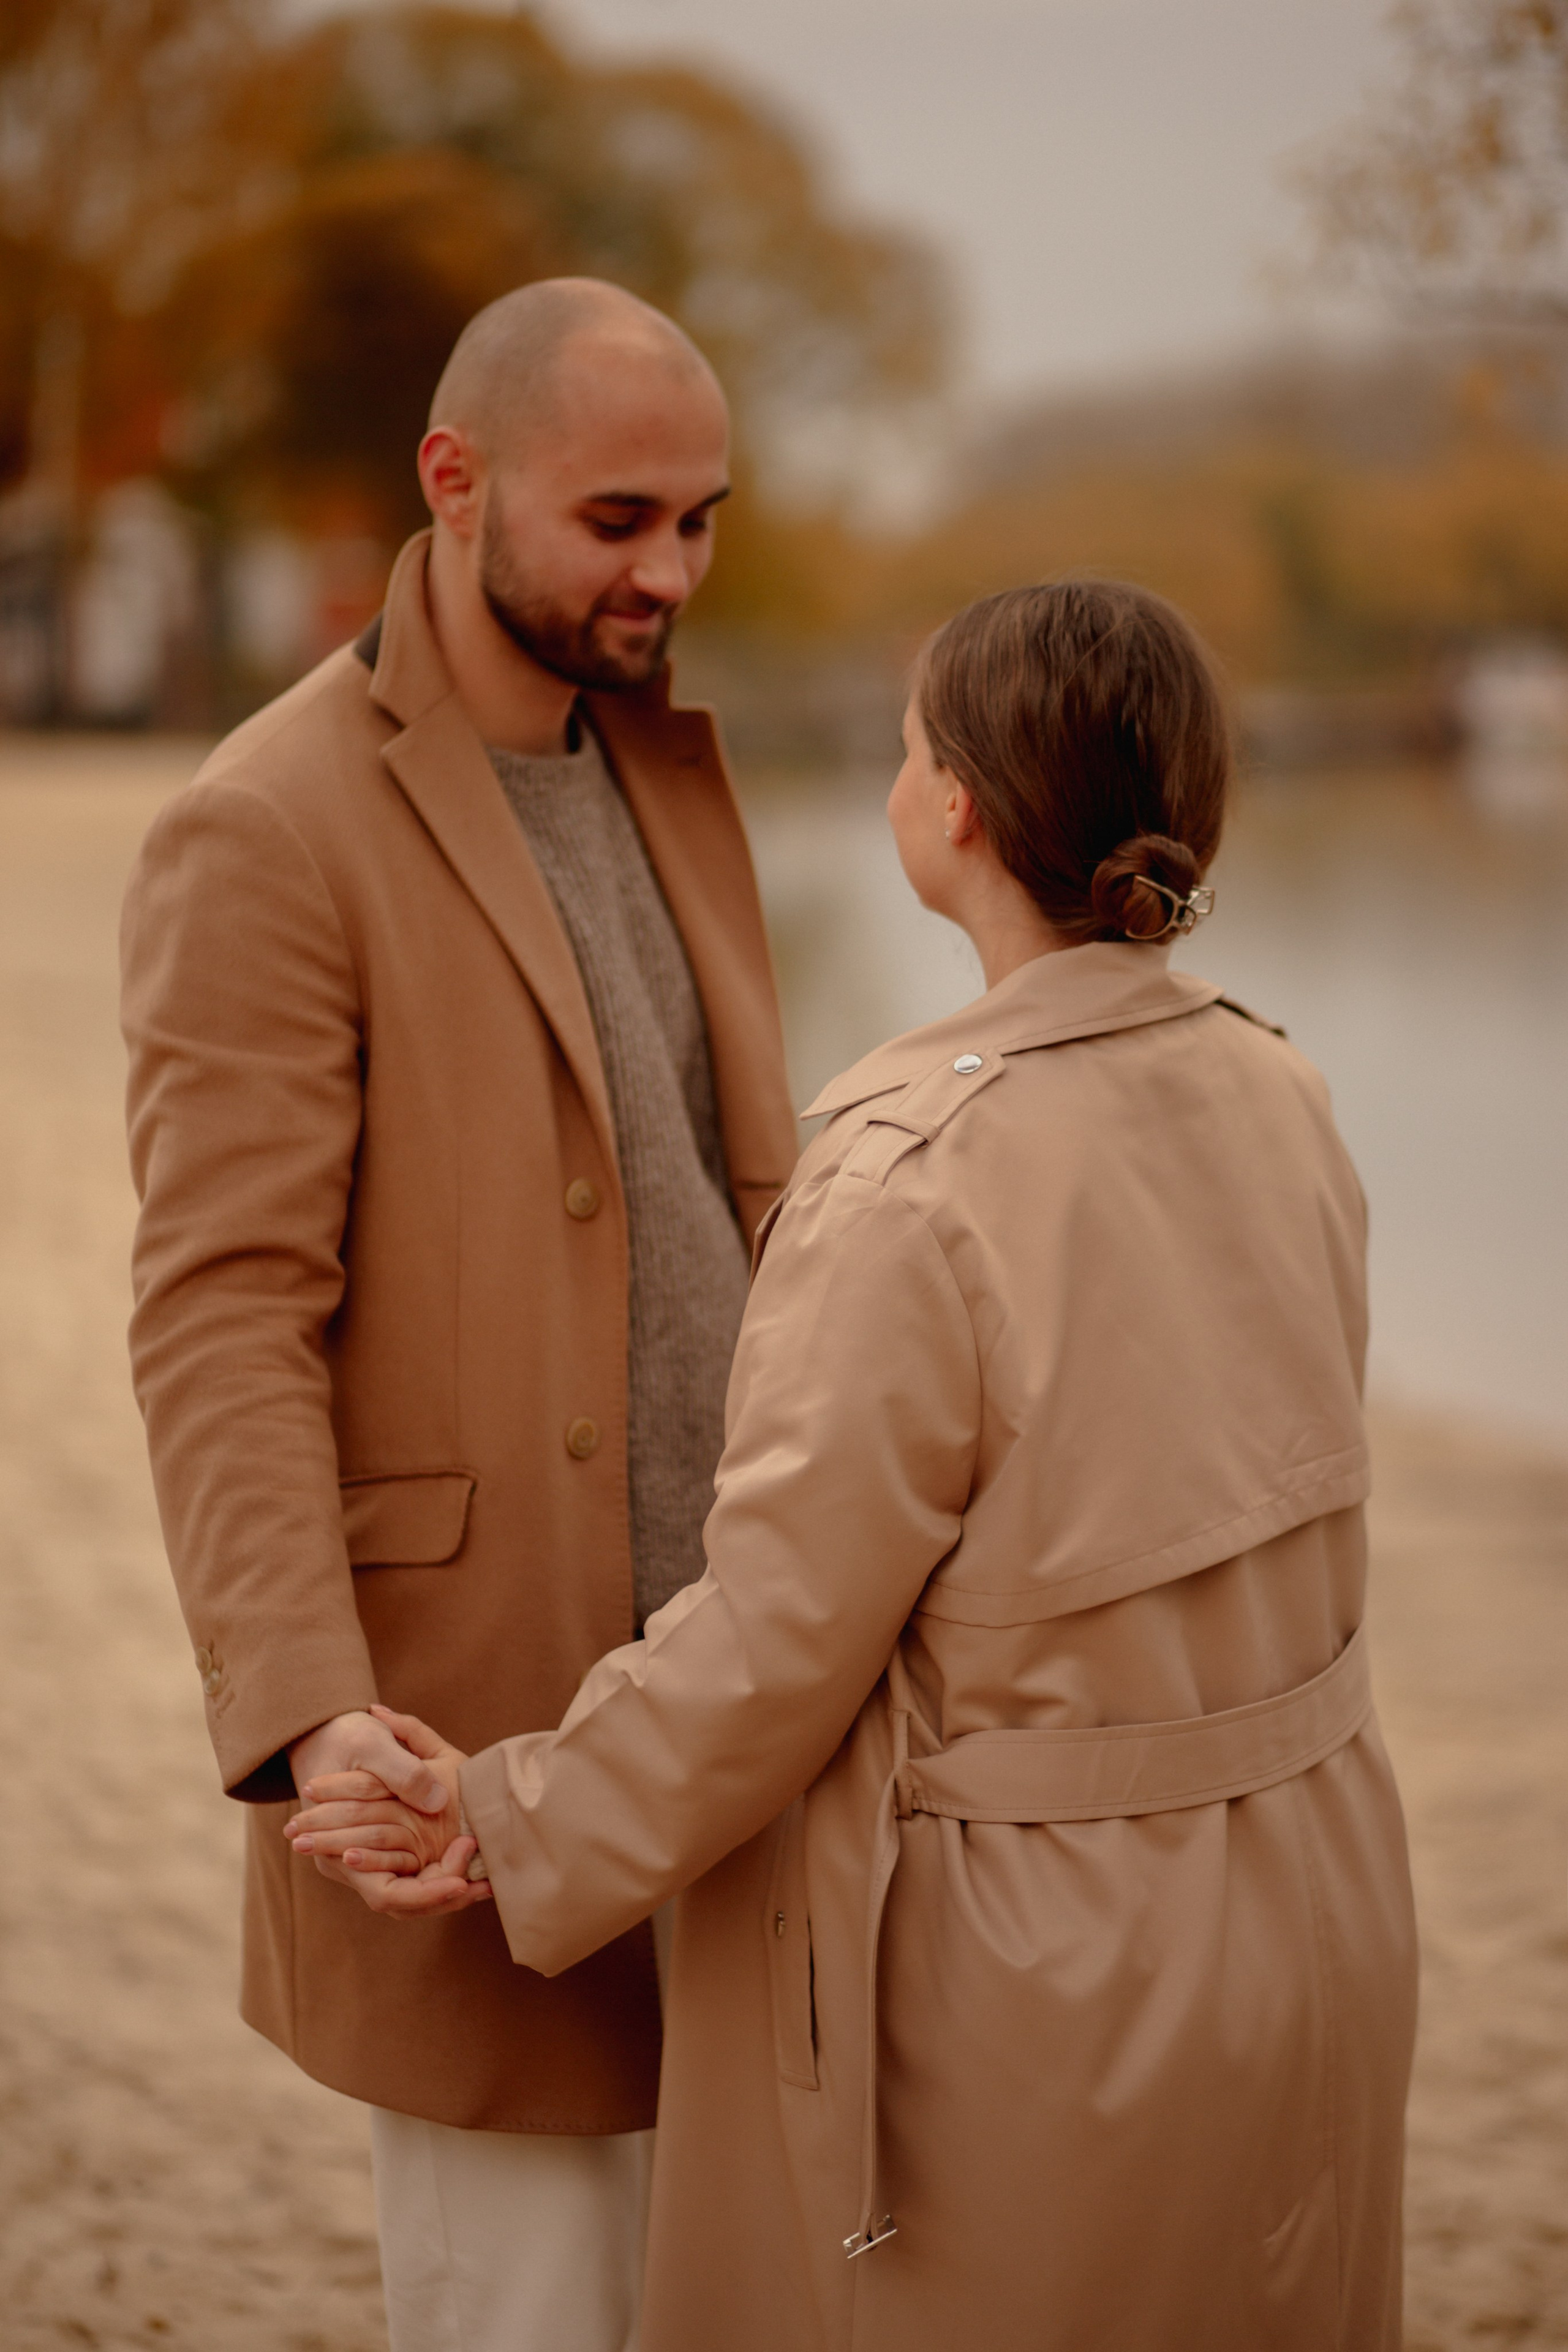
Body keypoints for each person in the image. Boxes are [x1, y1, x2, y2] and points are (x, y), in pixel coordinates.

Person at [288, 579, 1419, 2351]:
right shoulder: (1285, 1090)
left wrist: (511, 1817)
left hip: (1037, 1968)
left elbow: (777, 1644)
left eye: (908, 745)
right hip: (1317, 1897)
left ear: (953, 806)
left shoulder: (910, 1168)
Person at [121, 278, 797, 2352]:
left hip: (743, 1736)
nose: (667, 571)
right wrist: (311, 1706)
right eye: (618, 520)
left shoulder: (670, 770)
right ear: (455, 479)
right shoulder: (267, 819)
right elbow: (219, 1312)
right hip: (469, 1755)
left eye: (700, 519)